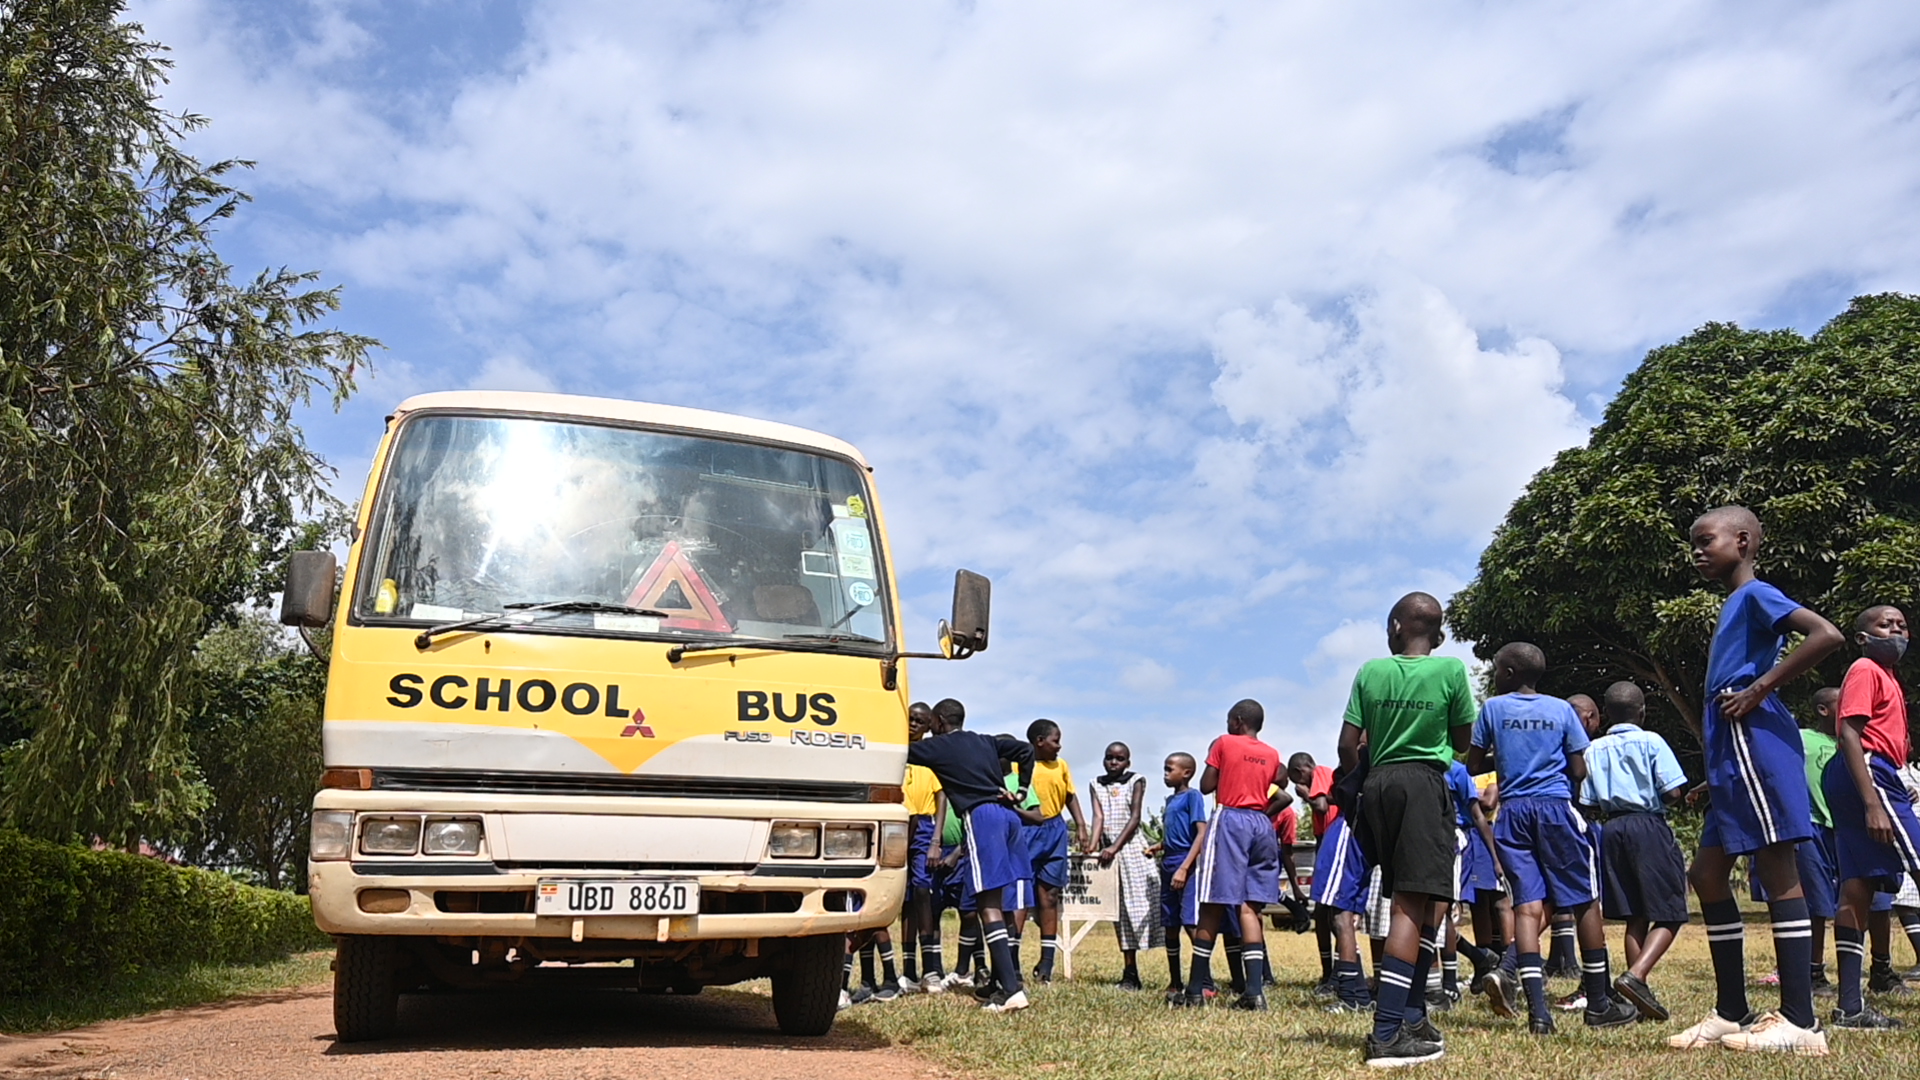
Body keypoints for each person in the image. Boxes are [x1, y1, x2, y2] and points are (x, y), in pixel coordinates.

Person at [1667, 506, 1843, 1054]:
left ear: (1742, 541)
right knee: (1708, 873)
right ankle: (1730, 1011)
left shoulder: (1756, 593)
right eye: (1692, 543)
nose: (1697, 552)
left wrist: (1760, 688)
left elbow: (1827, 635)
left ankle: (1800, 1021)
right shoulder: (1734, 605)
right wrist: (1711, 776)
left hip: (1755, 740)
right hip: (1731, 755)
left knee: (1775, 861)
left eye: (1706, 541)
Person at [1467, 643, 1636, 1033]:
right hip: (1556, 809)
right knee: (1584, 902)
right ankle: (1598, 1003)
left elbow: (1474, 764)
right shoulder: (1561, 709)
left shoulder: (1493, 708)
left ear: (1508, 674)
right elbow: (1578, 768)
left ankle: (1539, 1015)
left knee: (1527, 907)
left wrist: (1510, 761)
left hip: (1513, 813)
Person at [1341, 592, 1475, 1066]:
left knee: (1416, 903)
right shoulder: (1452, 671)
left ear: (1397, 625)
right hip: (1423, 784)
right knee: (1413, 908)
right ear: (1437, 633)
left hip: (1378, 785)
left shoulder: (1370, 671)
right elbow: (1462, 741)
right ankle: (1386, 1033)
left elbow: (1347, 745)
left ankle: (1412, 1013)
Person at [905, 698, 1037, 1014]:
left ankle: (1011, 991)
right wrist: (1021, 789)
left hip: (982, 818)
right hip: (1008, 817)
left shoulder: (938, 747)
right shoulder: (984, 741)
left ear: (937, 721)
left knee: (987, 905)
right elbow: (1026, 751)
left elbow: (899, 751)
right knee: (999, 902)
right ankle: (1000, 981)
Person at [1822, 605, 1920, 1030]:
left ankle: (1850, 1005)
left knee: (1857, 887)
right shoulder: (1865, 668)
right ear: (1863, 637)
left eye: (1901, 625)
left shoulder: (1890, 679)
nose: (1895, 630)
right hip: (1868, 773)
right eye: (1885, 624)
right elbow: (1849, 732)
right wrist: (1873, 802)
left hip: (1869, 773)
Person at [1577, 680, 1691, 1021]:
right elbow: (1673, 792)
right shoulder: (1651, 740)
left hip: (1612, 830)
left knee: (1635, 914)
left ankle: (1638, 998)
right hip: (1647, 825)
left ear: (1606, 713)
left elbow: (1588, 801)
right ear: (1642, 712)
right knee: (1671, 911)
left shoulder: (1594, 749)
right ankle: (1636, 976)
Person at [1174, 699, 1282, 1011]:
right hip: (1261, 824)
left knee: (1211, 902)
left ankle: (1194, 989)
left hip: (1231, 818)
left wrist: (1225, 770)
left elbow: (1207, 785)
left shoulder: (1224, 743)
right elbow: (1277, 783)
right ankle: (1254, 992)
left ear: (1236, 720)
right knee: (1250, 908)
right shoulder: (1271, 753)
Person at [1088, 742, 1161, 988]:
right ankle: (1130, 972)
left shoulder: (1136, 780)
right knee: (1119, 914)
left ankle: (1174, 972)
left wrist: (1115, 847)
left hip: (1132, 851)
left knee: (1140, 908)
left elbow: (1135, 817)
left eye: (1119, 759)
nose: (1113, 763)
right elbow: (1098, 817)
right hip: (1110, 854)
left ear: (1128, 762)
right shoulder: (1096, 784)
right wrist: (1092, 845)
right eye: (1109, 758)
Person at [1024, 718, 1088, 983]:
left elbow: (1070, 795)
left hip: (1055, 830)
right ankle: (1011, 965)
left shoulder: (1061, 765)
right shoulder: (1022, 765)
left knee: (1049, 894)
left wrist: (1081, 825)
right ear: (1040, 741)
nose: (1059, 746)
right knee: (1021, 898)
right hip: (1027, 830)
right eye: (1055, 740)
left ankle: (1047, 963)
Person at [1290, 752, 1344, 995]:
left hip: (1333, 841)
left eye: (1296, 779)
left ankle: (1339, 973)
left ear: (1303, 770)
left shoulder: (1320, 774)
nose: (1298, 785)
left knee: (1329, 912)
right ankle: (1329, 972)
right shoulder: (1320, 777)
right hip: (1325, 842)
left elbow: (1321, 806)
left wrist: (1306, 794)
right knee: (1322, 913)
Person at [1158, 752, 1209, 1002]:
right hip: (1168, 861)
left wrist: (1184, 868)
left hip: (1184, 864)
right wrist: (1159, 846)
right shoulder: (1170, 800)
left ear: (1186, 772)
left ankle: (1204, 979)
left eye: (1170, 769)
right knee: (1170, 923)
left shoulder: (1193, 796)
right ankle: (1175, 980)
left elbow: (1200, 833)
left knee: (1190, 921)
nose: (1166, 773)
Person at [902, 702, 946, 993]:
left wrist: (936, 840)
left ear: (929, 726)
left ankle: (930, 970)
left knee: (922, 891)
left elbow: (942, 798)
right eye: (911, 719)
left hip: (925, 829)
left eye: (920, 721)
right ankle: (905, 972)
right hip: (896, 825)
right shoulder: (896, 750)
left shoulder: (933, 757)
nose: (914, 724)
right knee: (901, 899)